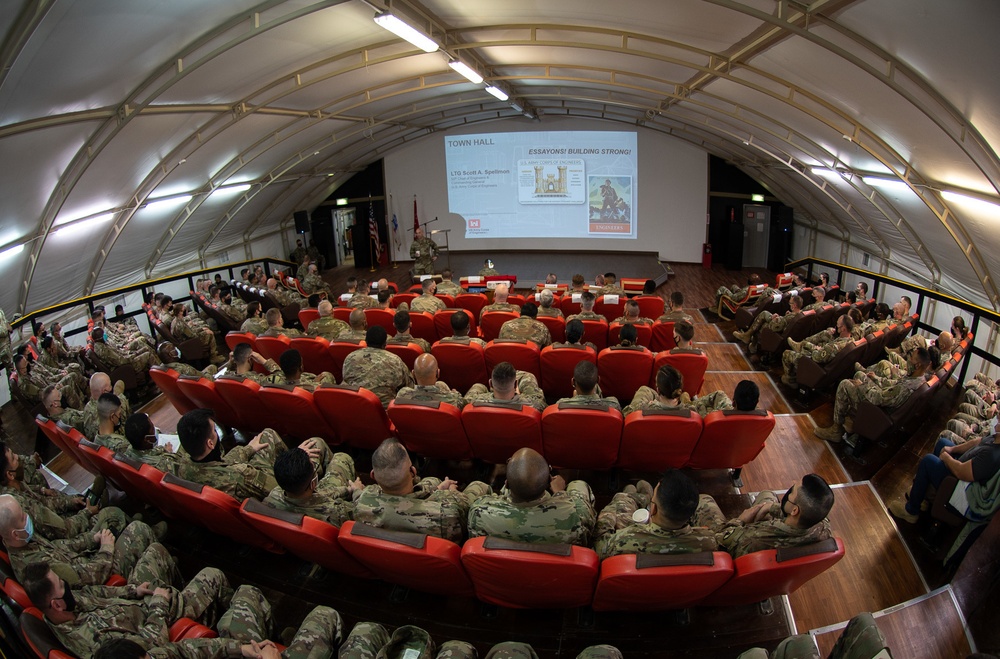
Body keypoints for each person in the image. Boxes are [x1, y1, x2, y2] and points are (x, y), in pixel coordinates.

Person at [24, 561, 338, 658]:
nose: (70, 589)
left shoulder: (145, 656)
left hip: (154, 612)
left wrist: (242, 649)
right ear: (55, 603)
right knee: (327, 614)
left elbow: (185, 651)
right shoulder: (96, 643)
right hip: (161, 617)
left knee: (244, 596)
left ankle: (242, 622)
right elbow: (156, 644)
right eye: (62, 587)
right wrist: (159, 606)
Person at [0, 494, 168, 587]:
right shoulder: (37, 567)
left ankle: (156, 557)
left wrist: (91, 539)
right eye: (23, 517)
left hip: (89, 559)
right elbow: (87, 578)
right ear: (14, 533)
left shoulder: (23, 540)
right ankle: (165, 568)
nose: (28, 517)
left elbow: (61, 547)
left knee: (110, 514)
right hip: (101, 576)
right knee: (139, 529)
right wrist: (106, 549)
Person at [353, 438, 490, 543]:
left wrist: (436, 490)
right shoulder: (446, 512)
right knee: (479, 486)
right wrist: (451, 494)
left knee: (431, 481)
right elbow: (463, 509)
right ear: (413, 472)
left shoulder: (360, 504)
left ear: (372, 476)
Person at [467, 447, 596, 546]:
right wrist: (559, 493)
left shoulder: (479, 513)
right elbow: (580, 508)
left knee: (478, 486)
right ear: (549, 482)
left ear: (506, 484)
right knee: (578, 485)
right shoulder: (576, 517)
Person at [593, 470, 719, 560]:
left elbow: (600, 547)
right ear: (692, 515)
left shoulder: (623, 540)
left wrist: (607, 515)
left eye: (652, 501)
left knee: (621, 502)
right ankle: (639, 496)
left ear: (653, 509)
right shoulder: (710, 542)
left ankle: (635, 497)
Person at [815, 347, 933, 443]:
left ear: (917, 365)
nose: (908, 359)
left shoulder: (906, 387)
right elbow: (894, 385)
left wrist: (862, 385)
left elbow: (878, 399)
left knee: (845, 384)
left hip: (877, 411)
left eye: (911, 358)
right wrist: (876, 378)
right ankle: (852, 421)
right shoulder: (918, 379)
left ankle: (836, 430)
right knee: (861, 374)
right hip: (884, 402)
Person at [708, 474, 835, 557]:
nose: (788, 492)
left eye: (792, 491)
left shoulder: (752, 539)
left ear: (795, 511)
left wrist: (740, 520)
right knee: (767, 494)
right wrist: (771, 507)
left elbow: (719, 540)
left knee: (705, 500)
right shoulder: (824, 528)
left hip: (738, 549)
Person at [888, 431, 1000, 524]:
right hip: (962, 465)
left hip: (959, 485)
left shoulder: (992, 455)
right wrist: (952, 449)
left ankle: (911, 511)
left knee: (928, 461)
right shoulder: (995, 437)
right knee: (943, 443)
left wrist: (947, 458)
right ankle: (924, 497)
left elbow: (962, 473)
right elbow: (977, 442)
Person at [175, 408, 287, 500]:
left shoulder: (182, 465)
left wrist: (249, 449)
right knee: (268, 435)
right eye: (214, 430)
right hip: (265, 499)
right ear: (210, 443)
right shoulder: (241, 475)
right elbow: (277, 488)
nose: (215, 433)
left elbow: (222, 464)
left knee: (263, 438)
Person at [266, 439, 361, 526]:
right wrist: (357, 491)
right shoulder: (336, 512)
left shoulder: (272, 497)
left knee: (317, 443)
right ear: (313, 483)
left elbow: (320, 495)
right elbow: (361, 513)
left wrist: (295, 455)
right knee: (342, 457)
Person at [341, 326, 414, 406]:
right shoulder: (395, 361)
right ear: (385, 343)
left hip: (355, 407)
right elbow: (409, 385)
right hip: (383, 411)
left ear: (365, 341)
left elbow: (346, 380)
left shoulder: (350, 358)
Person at [623, 365, 732, 416]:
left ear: (658, 389)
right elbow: (719, 396)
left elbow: (625, 414)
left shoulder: (643, 409)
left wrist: (652, 404)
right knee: (686, 395)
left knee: (644, 389)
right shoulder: (693, 412)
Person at [780, 314, 854, 387]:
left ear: (843, 328)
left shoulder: (834, 347)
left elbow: (816, 357)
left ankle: (791, 380)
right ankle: (800, 346)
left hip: (817, 368)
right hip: (830, 368)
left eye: (838, 325)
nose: (836, 326)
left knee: (786, 353)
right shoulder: (851, 341)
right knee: (826, 334)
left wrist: (815, 348)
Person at [465, 361, 546, 412]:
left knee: (478, 386)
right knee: (529, 377)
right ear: (515, 384)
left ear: (490, 384)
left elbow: (462, 402)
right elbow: (542, 405)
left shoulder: (473, 402)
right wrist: (519, 396)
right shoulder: (535, 406)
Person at [733, 294, 803, 351]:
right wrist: (782, 317)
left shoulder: (790, 317)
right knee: (763, 316)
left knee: (762, 318)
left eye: (790, 303)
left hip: (777, 331)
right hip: (783, 330)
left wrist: (775, 318)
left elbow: (776, 326)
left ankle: (748, 337)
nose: (789, 305)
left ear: (794, 305)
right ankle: (751, 343)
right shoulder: (800, 314)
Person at [395, 353, 467, 409]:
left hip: (413, 427)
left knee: (440, 384)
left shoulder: (402, 394)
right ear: (438, 373)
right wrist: (455, 393)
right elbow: (465, 406)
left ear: (413, 374)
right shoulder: (453, 400)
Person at [83, 373, 131, 440]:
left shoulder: (87, 407)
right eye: (110, 385)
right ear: (104, 391)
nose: (111, 387)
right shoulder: (109, 410)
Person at [264, 348, 335, 391]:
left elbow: (276, 373)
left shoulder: (272, 384)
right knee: (326, 375)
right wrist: (315, 383)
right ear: (301, 367)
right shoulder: (312, 388)